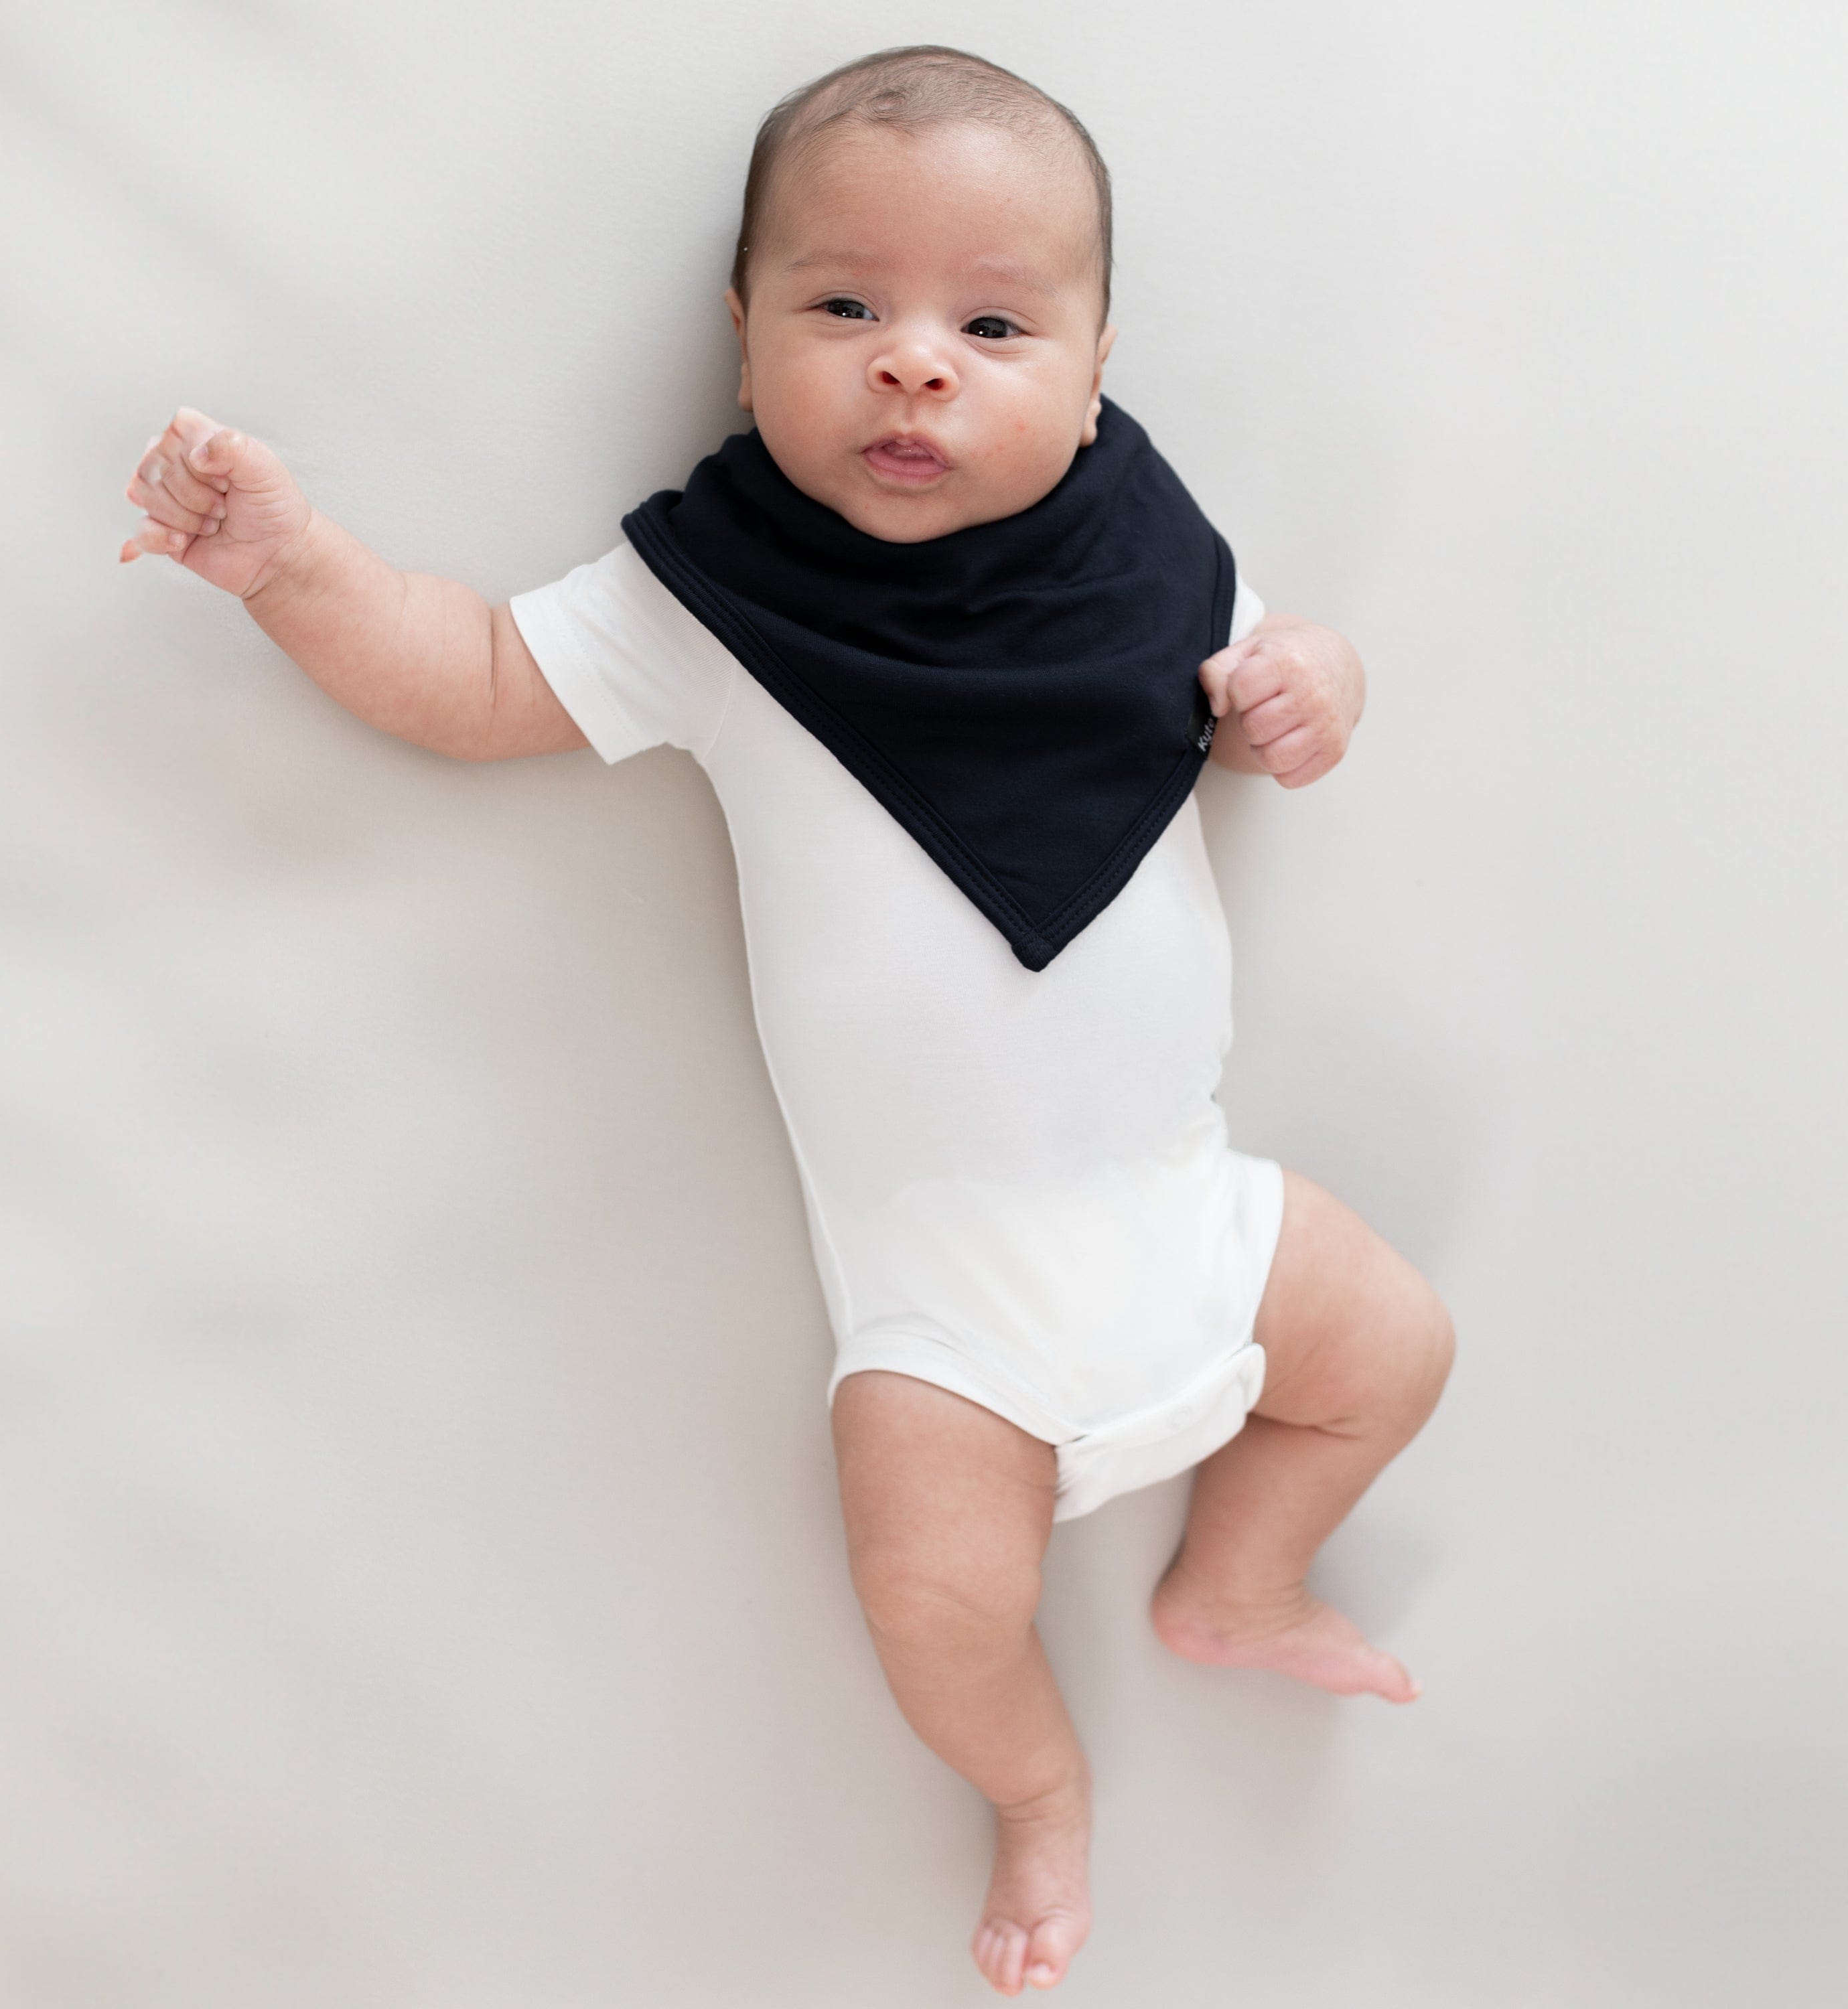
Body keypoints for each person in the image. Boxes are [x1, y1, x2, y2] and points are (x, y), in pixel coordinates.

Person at [118, 45, 1454, 1998]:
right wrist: (295, 569)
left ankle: (1239, 1582)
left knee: (1399, 1347)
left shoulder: (1149, 551)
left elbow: (1276, 664)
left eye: (995, 322)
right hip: (945, 1328)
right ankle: (1044, 1799)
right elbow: (482, 673)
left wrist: (1317, 682)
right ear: (743, 341)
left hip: (1199, 1215)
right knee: (936, 1597)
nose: (917, 361)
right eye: (846, 306)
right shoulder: (719, 601)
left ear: (1096, 362)